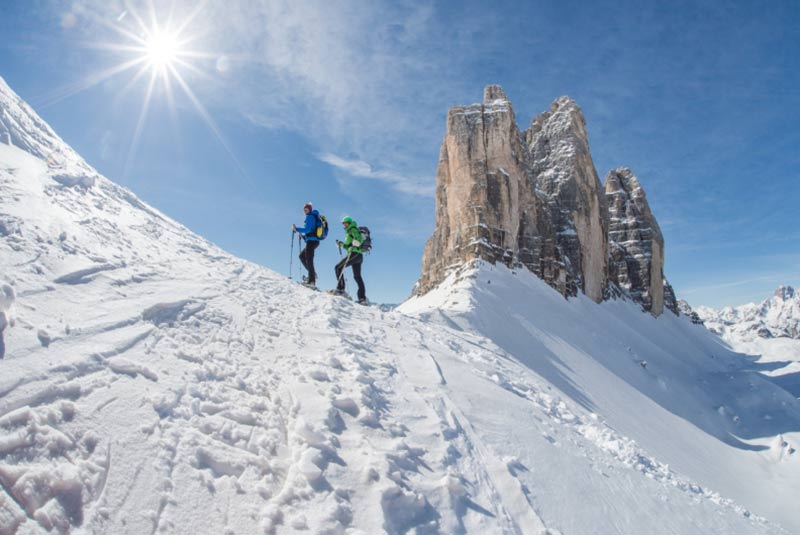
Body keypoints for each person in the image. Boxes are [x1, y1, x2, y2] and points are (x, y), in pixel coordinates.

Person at [333, 216, 367, 304]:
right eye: (343, 223)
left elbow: (359, 240)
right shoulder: (349, 232)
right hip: (358, 256)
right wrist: (341, 244)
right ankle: (362, 298)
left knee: (338, 267)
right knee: (357, 276)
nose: (344, 224)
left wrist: (357, 243)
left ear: (349, 222)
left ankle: (341, 290)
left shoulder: (352, 229)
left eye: (345, 223)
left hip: (354, 254)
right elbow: (349, 246)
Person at [292, 202, 321, 287]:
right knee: (302, 256)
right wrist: (304, 237)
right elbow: (310, 232)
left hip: (312, 242)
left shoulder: (310, 216)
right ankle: (312, 275)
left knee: (309, 259)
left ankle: (312, 281)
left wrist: (296, 229)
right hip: (312, 241)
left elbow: (307, 229)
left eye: (306, 209)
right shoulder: (311, 217)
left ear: (310, 209)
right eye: (304, 209)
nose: (305, 211)